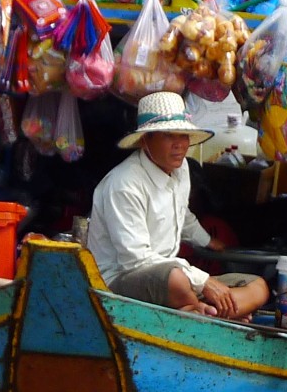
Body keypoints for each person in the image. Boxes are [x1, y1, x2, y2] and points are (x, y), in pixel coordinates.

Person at [85, 92, 272, 320]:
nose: (179, 145)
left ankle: (202, 313)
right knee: (176, 279)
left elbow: (182, 214)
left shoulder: (181, 168)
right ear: (146, 140)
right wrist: (202, 281)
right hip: (123, 280)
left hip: (175, 280)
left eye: (183, 135)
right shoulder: (124, 184)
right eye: (168, 136)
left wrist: (207, 241)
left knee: (258, 286)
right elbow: (135, 261)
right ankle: (205, 312)